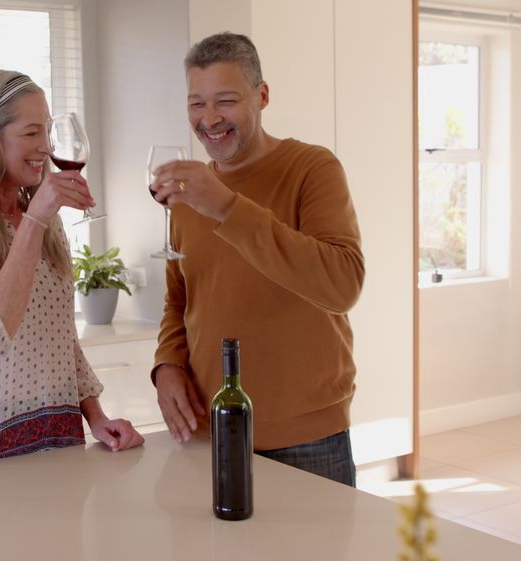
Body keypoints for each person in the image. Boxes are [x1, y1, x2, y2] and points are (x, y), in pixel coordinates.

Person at [148, 33, 365, 486]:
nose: (209, 119)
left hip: (307, 437)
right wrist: (167, 364)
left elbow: (342, 285)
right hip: (209, 429)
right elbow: (179, 299)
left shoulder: (312, 168)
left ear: (261, 95)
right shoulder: (186, 193)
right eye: (196, 104)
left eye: (226, 101)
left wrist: (227, 208)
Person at [0, 70, 144, 467]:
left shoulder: (46, 223)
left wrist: (97, 417)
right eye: (32, 133)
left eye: (48, 132)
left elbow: (60, 335)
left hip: (59, 440)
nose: (46, 147)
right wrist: (36, 218)